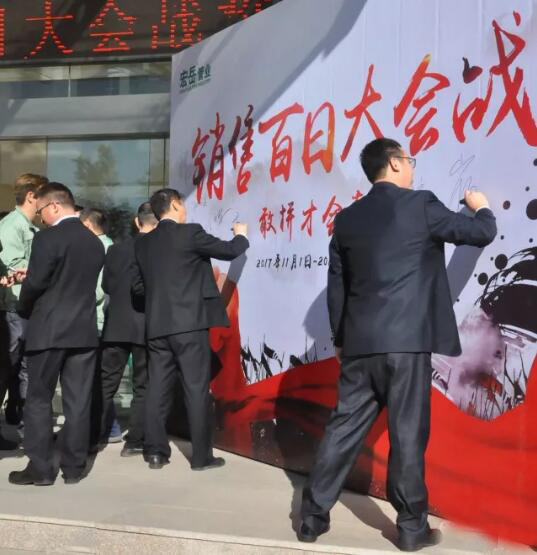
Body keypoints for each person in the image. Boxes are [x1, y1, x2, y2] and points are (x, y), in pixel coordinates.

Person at [298, 138, 497, 552]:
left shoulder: (347, 219)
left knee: (342, 430)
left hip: (359, 345)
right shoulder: (420, 204)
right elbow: (480, 233)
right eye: (409, 160)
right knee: (407, 434)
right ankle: (410, 529)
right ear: (393, 163)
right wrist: (481, 207)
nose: (412, 167)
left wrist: (340, 339)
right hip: (406, 344)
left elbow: (338, 286)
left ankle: (311, 519)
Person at [133, 188, 249, 470]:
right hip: (189, 325)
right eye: (182, 204)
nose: (185, 210)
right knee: (196, 389)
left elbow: (138, 287)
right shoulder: (190, 233)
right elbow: (229, 250)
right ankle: (201, 457)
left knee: (157, 389)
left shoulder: (143, 244)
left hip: (157, 327)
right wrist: (241, 235)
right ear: (174, 204)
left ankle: (156, 453)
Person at [9, 182, 105, 486]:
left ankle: (40, 469)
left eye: (41, 212)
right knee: (78, 401)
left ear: (54, 206)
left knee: (38, 400)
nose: (40, 218)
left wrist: (23, 307)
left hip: (48, 330)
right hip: (83, 331)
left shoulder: (47, 238)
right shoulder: (94, 242)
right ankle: (74, 467)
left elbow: (37, 283)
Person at [99, 202, 157, 456]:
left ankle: (93, 436)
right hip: (146, 326)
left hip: (116, 324)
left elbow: (107, 286)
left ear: (136, 221)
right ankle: (134, 442)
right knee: (142, 386)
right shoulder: (159, 249)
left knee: (105, 383)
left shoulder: (115, 249)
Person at [0, 173, 47, 445]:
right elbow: (14, 267)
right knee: (9, 368)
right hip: (15, 308)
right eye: (44, 196)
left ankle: (28, 429)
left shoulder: (30, 228)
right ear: (32, 196)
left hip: (26, 308)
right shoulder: (12, 226)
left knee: (25, 369)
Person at [79, 207, 122, 445]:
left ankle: (107, 427)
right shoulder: (112, 247)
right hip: (105, 319)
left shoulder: (98, 249)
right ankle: (110, 427)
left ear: (87, 225)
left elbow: (97, 290)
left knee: (94, 378)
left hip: (95, 319)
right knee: (98, 377)